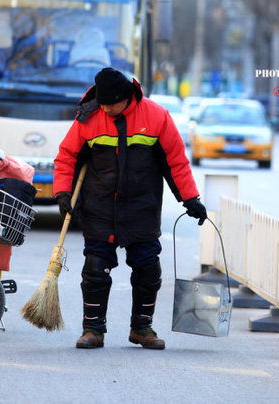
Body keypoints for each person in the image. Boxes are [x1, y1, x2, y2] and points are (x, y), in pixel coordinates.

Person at [53, 67, 207, 350]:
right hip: (99, 207)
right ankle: (93, 329)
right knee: (96, 268)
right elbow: (67, 157)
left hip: (141, 208)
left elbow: (175, 162)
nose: (107, 109)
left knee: (148, 269)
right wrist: (62, 193)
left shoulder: (157, 117)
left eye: (111, 103)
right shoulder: (88, 118)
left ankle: (141, 327)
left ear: (127, 97)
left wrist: (190, 199)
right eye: (103, 103)